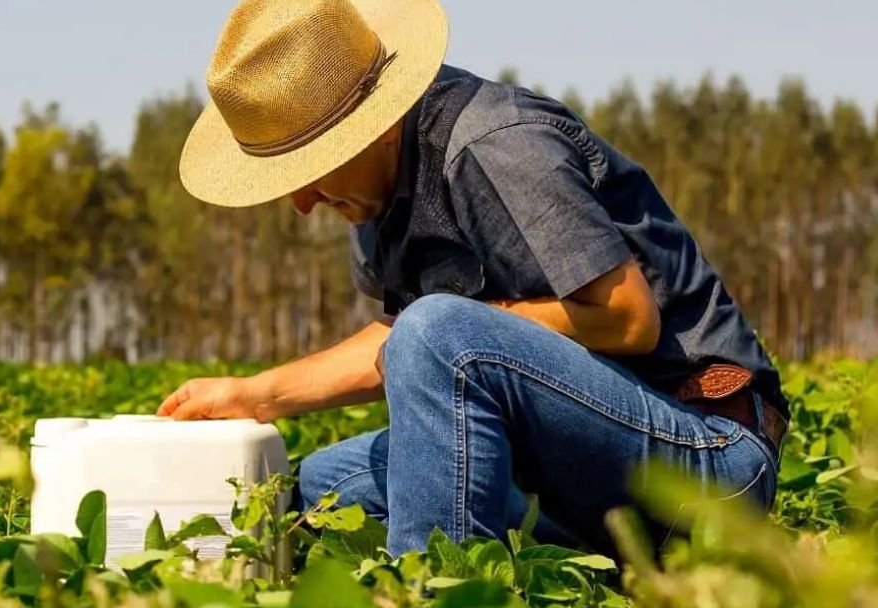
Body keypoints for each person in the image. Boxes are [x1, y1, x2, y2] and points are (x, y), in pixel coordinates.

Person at [157, 0, 787, 557]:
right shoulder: (375, 194)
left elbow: (628, 317)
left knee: (437, 329)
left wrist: (475, 327)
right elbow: (402, 339)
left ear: (371, 126)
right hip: (573, 467)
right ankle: (582, 555)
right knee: (321, 487)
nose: (301, 202)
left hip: (707, 458)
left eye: (309, 169)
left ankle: (434, 594)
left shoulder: (495, 142)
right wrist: (256, 394)